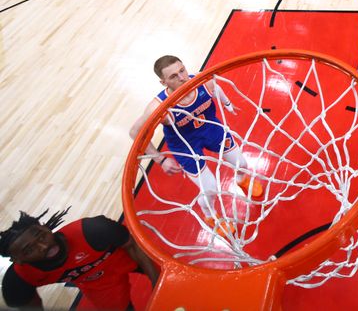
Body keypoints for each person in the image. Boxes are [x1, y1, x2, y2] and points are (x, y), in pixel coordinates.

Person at [129, 55, 263, 233]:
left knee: (242, 163)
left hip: (211, 129)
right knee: (210, 189)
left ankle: (241, 180)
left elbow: (216, 89)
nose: (182, 77)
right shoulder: (160, 107)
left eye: (182, 70)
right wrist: (160, 160)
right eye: (173, 76)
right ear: (163, 83)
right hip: (185, 145)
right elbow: (135, 132)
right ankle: (211, 216)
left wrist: (228, 103)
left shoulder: (202, 81)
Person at [0, 207, 159, 309]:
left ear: (44, 227)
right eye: (29, 250)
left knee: (169, 278)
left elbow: (133, 246)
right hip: (96, 283)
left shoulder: (93, 229)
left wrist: (156, 283)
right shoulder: (19, 280)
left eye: (41, 236)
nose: (43, 246)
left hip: (125, 257)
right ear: (19, 260)